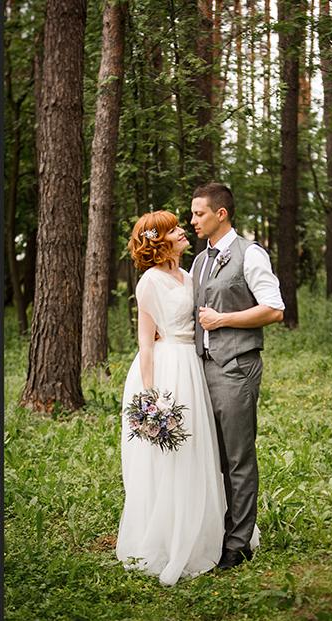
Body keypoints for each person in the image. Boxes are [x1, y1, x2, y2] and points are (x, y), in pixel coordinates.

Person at [116, 210, 227, 586]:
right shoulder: (149, 282)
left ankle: (199, 532)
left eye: (181, 225)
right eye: (175, 228)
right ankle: (165, 537)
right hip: (165, 370)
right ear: (159, 240)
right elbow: (146, 343)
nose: (183, 231)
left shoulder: (189, 274)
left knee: (195, 447)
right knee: (167, 456)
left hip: (192, 366)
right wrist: (151, 399)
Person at [189, 182, 284, 571]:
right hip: (200, 370)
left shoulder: (250, 254)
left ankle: (239, 543)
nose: (193, 220)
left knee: (238, 458)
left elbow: (275, 309)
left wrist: (223, 320)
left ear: (221, 214)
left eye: (199, 214)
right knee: (209, 458)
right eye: (193, 214)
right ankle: (216, 530)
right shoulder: (198, 261)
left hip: (236, 369)